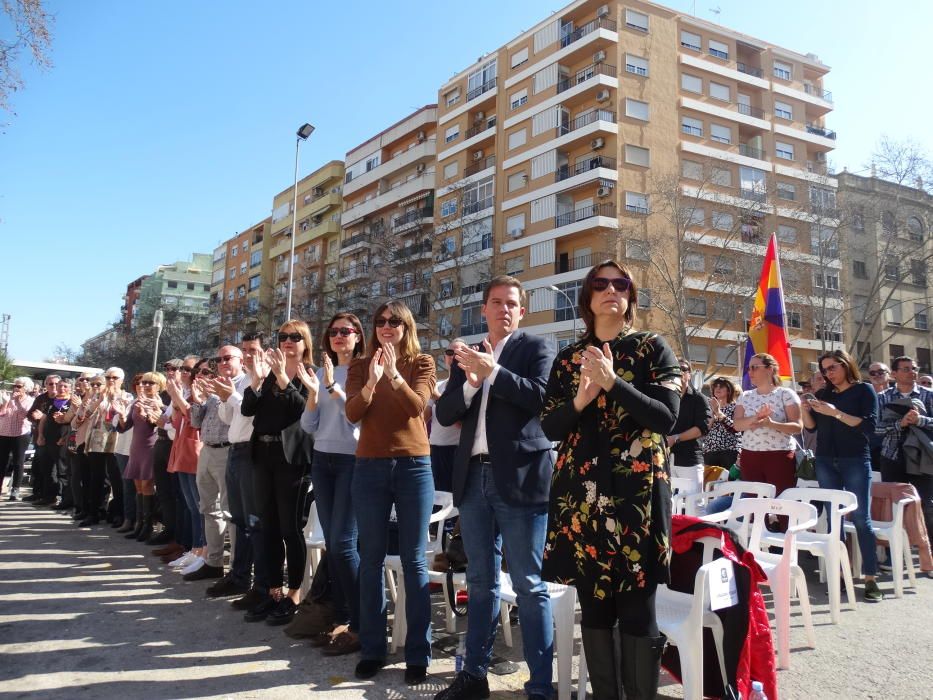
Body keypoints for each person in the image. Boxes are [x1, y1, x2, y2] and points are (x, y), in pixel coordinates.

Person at [540, 261, 681, 700]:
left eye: (620, 284)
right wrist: (582, 397)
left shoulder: (651, 348)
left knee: (638, 606)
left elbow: (665, 416)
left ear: (630, 298)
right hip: (581, 496)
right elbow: (550, 427)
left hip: (636, 495)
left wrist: (613, 382)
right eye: (599, 284)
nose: (610, 290)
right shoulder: (567, 359)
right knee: (595, 604)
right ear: (587, 298)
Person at [434, 276, 555, 700]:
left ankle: (540, 686)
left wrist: (494, 373)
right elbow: (446, 413)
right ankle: (474, 677)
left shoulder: (536, 348)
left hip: (520, 479)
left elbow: (542, 398)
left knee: (528, 584)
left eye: (512, 304)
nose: (504, 309)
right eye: (496, 302)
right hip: (473, 478)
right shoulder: (465, 356)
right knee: (480, 580)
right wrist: (469, 381)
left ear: (521, 312)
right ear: (482, 309)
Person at [346, 300, 436, 684]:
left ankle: (418, 653)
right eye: (380, 321)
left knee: (415, 560)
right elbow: (352, 413)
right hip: (369, 467)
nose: (386, 326)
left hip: (414, 466)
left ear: (406, 326)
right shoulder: (358, 366)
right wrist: (371, 380)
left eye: (394, 321)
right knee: (371, 559)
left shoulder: (423, 363)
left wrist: (395, 374)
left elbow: (416, 408)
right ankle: (372, 648)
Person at [298, 312, 365, 656]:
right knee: (333, 543)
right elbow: (309, 425)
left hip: (353, 462)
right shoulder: (319, 372)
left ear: (357, 336)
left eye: (346, 331)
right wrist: (313, 393)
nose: (339, 336)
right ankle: (340, 616)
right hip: (322, 462)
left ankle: (359, 623)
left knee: (342, 543)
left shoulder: (364, 371)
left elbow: (359, 420)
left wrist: (330, 388)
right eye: (334, 331)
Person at [241, 320, 315, 626]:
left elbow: (304, 412)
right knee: (268, 527)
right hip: (263, 454)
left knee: (289, 529)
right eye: (283, 336)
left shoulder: (310, 373)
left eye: (294, 337)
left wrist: (286, 380)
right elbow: (248, 410)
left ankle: (294, 593)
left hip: (292, 459)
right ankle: (273, 590)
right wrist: (257, 381)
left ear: (305, 342)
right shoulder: (270, 373)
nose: (287, 341)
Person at [801, 349, 883, 602]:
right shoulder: (825, 394)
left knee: (860, 518)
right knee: (834, 520)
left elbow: (869, 426)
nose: (828, 373)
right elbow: (812, 426)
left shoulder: (864, 390)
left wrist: (835, 412)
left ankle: (870, 578)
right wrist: (805, 409)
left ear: (846, 364)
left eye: (832, 367)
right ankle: (841, 575)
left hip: (856, 459)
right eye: (824, 370)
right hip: (826, 460)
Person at [214, 333, 266, 605]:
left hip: (251, 453)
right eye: (244, 350)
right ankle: (239, 575)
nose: (248, 355)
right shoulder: (244, 378)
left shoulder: (266, 376)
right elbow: (229, 417)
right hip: (235, 451)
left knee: (253, 521)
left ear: (265, 351)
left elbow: (252, 413)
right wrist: (226, 398)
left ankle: (257, 582)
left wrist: (232, 397)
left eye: (253, 349)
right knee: (239, 518)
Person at [188, 346, 245, 582]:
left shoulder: (242, 384)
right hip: (207, 450)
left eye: (227, 358)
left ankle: (235, 568)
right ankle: (213, 562)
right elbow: (195, 422)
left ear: (240, 361)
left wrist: (225, 395)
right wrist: (199, 401)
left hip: (227, 451)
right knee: (208, 509)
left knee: (230, 511)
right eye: (218, 360)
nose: (221, 363)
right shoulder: (214, 386)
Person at [877, 355, 933, 557]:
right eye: (906, 369)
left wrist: (920, 420)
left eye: (914, 368)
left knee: (926, 505)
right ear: (894, 373)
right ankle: (895, 557)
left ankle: (928, 555)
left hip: (922, 457)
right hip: (892, 455)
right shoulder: (882, 397)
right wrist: (899, 424)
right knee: (893, 509)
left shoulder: (929, 395)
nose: (912, 372)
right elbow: (875, 429)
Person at [733, 353, 802, 504]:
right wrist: (756, 418)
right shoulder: (745, 396)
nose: (749, 372)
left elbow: (797, 427)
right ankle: (760, 528)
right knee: (754, 504)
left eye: (754, 368)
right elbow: (737, 425)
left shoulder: (786, 394)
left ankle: (783, 528)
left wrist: (771, 424)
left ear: (770, 369)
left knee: (782, 504)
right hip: (750, 456)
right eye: (748, 368)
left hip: (779, 456)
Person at [165, 356, 206, 574]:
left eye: (189, 369)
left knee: (200, 506)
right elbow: (174, 421)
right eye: (184, 369)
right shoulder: (187, 392)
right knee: (191, 505)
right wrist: (175, 398)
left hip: (195, 451)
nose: (186, 373)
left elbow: (195, 418)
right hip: (182, 449)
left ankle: (201, 549)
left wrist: (177, 397)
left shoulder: (202, 392)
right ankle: (194, 548)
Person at [118, 372, 166, 542]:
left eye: (150, 383)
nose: (144, 385)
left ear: (159, 385)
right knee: (138, 485)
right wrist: (122, 415)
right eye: (143, 382)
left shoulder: (159, 403)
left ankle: (148, 526)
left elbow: (158, 424)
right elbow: (125, 426)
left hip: (151, 447)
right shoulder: (137, 402)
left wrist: (151, 412)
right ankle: (139, 523)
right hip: (136, 447)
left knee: (147, 484)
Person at [426, 339, 465, 495]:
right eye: (450, 353)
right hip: (434, 451)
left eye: (459, 353)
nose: (453, 356)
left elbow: (461, 423)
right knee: (436, 500)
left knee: (455, 502)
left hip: (458, 452)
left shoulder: (470, 385)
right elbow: (423, 418)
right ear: (444, 357)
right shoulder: (437, 385)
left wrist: (438, 399)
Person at [667, 359, 710, 494]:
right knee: (670, 504)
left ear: (689, 374)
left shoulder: (699, 399)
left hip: (689, 459)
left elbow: (702, 427)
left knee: (694, 504)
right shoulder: (666, 397)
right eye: (675, 369)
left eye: (683, 369)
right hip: (667, 459)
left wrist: (676, 438)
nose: (679, 372)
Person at [24, 375, 60, 503]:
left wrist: (43, 417)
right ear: (46, 385)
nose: (53, 386)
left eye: (56, 383)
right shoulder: (41, 398)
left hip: (54, 439)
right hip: (39, 438)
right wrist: (35, 417)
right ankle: (37, 492)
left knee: (51, 470)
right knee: (37, 467)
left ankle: (49, 496)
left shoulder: (61, 399)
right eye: (50, 384)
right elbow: (30, 414)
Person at [0, 377, 35, 500]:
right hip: (4, 432)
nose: (15, 388)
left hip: (20, 434)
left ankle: (15, 489)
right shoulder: (8, 398)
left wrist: (17, 401)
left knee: (18, 462)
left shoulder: (30, 400)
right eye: (15, 386)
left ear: (26, 388)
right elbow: (1, 413)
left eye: (19, 386)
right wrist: (5, 403)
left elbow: (24, 416)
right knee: (2, 461)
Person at [703, 377, 741, 470]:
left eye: (721, 386)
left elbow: (735, 428)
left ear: (729, 390)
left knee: (728, 482)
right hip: (710, 450)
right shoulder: (708, 406)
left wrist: (719, 413)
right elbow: (704, 429)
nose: (718, 388)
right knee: (710, 481)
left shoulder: (736, 407)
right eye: (715, 386)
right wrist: (713, 414)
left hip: (729, 451)